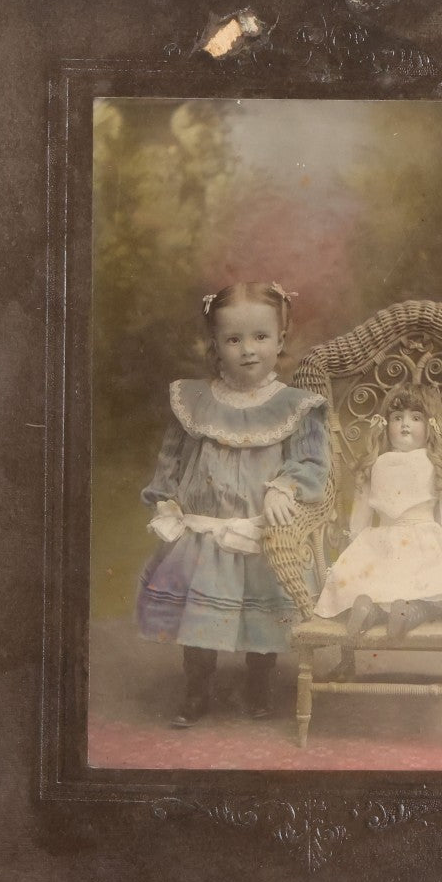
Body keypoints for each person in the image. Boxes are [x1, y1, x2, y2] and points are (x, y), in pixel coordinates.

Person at [137, 282, 329, 728]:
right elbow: (172, 456)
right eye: (233, 339)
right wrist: (164, 499)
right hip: (206, 529)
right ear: (216, 345)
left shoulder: (296, 407)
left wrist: (286, 486)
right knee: (199, 616)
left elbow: (312, 461)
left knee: (261, 612)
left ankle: (259, 683)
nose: (248, 350)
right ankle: (197, 687)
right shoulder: (194, 401)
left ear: (281, 340)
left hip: (260, 530)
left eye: (261, 337)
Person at [313, 383, 442, 641]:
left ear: (431, 426)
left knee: (382, 583)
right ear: (385, 425)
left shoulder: (403, 463)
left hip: (385, 542)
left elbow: (362, 515)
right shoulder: (400, 464)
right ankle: (403, 610)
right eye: (397, 418)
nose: (405, 424)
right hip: (422, 540)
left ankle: (378, 610)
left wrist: (356, 542)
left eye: (415, 418)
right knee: (431, 586)